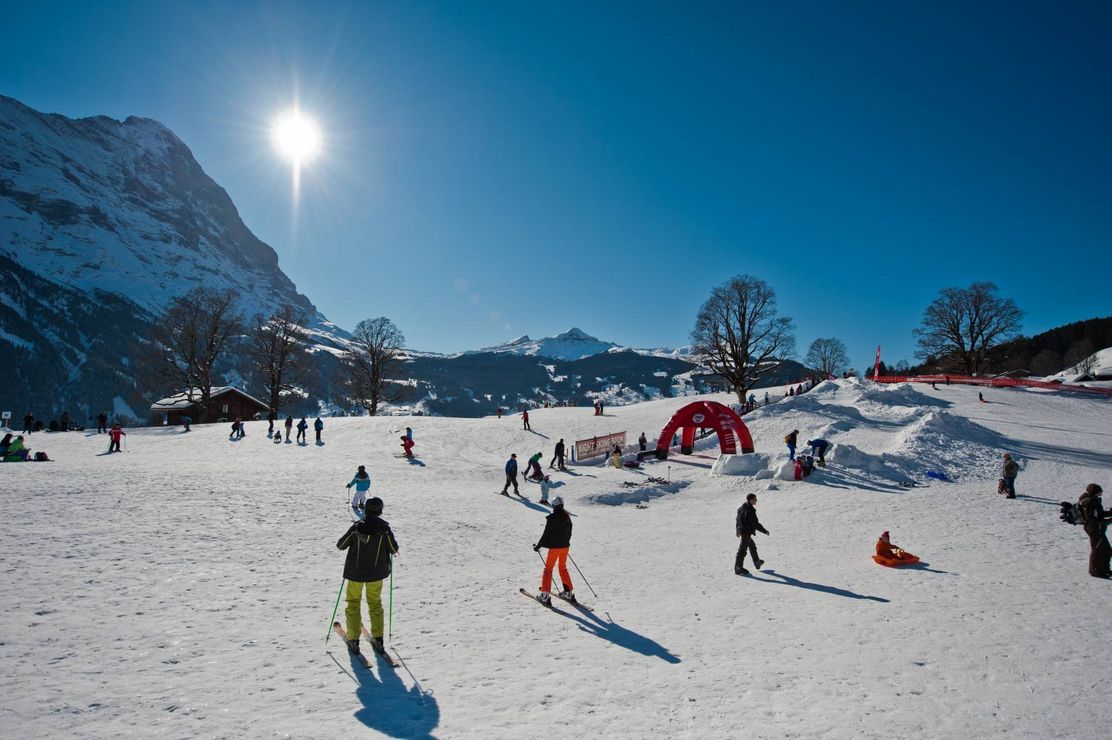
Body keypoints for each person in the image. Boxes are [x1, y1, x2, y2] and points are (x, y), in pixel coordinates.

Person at [336, 497, 399, 657]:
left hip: (355, 574)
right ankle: (378, 638)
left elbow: (341, 545)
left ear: (366, 510)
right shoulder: (384, 528)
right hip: (376, 574)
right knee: (375, 603)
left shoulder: (357, 527)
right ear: (380, 511)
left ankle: (353, 639)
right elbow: (393, 548)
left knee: (353, 603)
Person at [533, 495, 574, 605]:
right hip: (565, 547)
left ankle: (545, 595)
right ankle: (568, 592)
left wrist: (538, 546)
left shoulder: (552, 518)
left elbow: (546, 535)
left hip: (555, 548)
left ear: (554, 506)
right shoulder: (567, 517)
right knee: (562, 568)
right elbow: (569, 532)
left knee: (548, 569)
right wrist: (565, 543)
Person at [1078, 484, 1111, 578]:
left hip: (1097, 528)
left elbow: (1099, 514)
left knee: (1106, 550)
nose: (1102, 492)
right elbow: (1091, 517)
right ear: (1095, 492)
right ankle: (1095, 571)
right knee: (1097, 550)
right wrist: (1105, 522)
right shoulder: (1090, 502)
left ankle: (1105, 570)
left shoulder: (1094, 500)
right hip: (1094, 529)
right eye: (1100, 491)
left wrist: (1109, 513)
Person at [734, 493, 769, 575]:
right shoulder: (750, 510)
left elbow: (738, 520)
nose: (756, 501)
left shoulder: (741, 508)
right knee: (742, 550)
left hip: (743, 531)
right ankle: (738, 567)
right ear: (751, 500)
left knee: (752, 545)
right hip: (746, 532)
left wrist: (738, 530)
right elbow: (755, 524)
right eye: (755, 499)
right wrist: (765, 531)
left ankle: (757, 562)